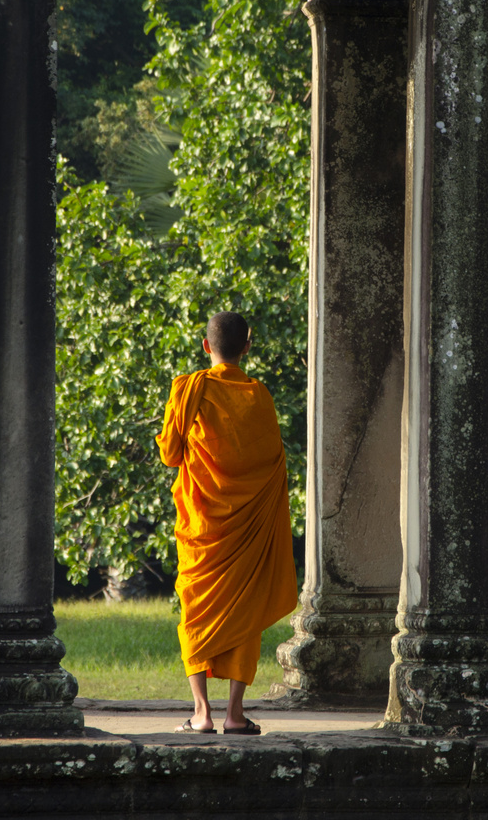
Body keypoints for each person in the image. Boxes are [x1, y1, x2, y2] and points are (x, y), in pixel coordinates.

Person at [156, 311, 298, 734]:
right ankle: (235, 714)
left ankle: (201, 713)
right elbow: (273, 463)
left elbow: (170, 454)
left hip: (202, 527)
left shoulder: (189, 390)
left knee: (196, 610)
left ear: (206, 347)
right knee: (245, 610)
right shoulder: (260, 396)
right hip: (246, 528)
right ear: (247, 348)